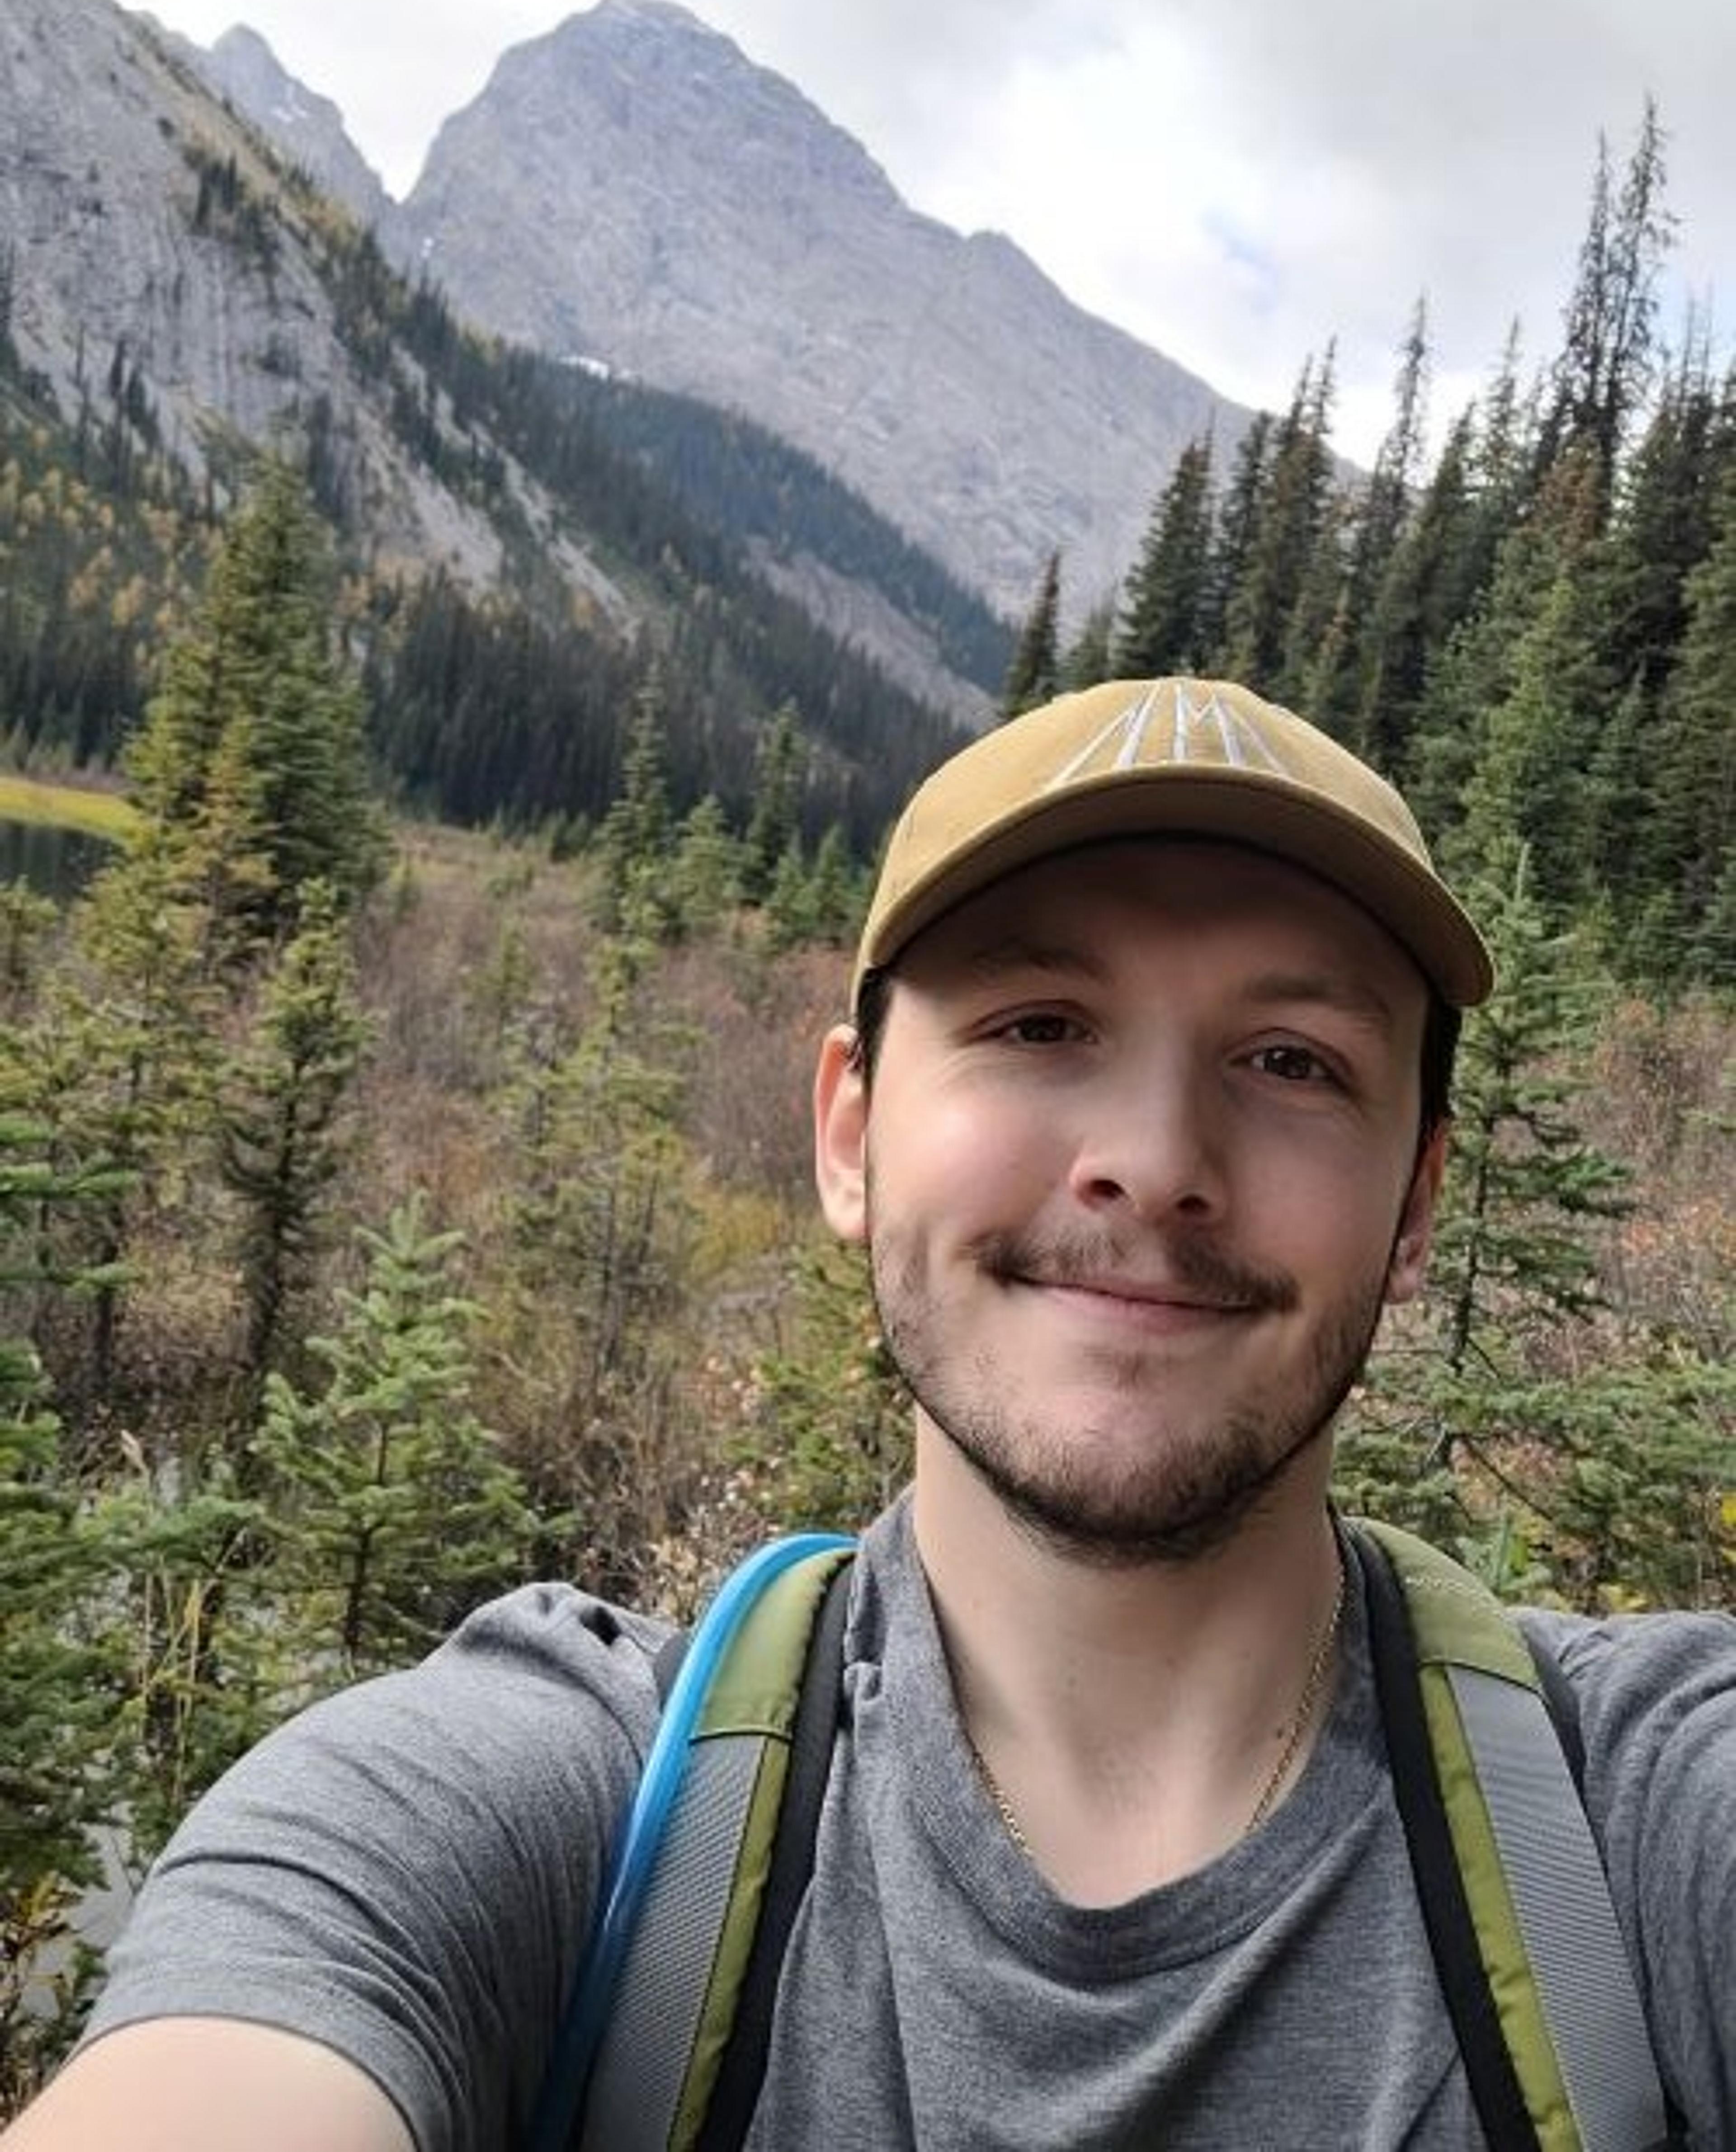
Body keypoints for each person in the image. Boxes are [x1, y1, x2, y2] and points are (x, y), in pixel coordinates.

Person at [6, 675, 1731, 2151]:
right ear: (851, 1132)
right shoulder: (564, 1804)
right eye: (1040, 1021)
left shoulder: (1638, 1821)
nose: (1155, 1159)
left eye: (1292, 1061)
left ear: (1418, 1201)